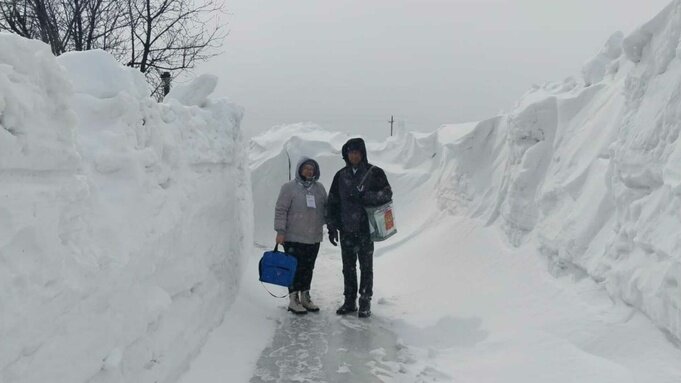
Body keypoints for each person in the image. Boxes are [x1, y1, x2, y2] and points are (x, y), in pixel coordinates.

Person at [326, 138, 393, 318]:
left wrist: (366, 197)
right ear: (346, 155)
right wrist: (332, 226)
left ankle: (365, 301)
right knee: (348, 267)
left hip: (366, 229)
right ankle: (349, 301)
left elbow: (387, 193)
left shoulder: (374, 172)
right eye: (350, 152)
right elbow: (332, 202)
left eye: (357, 152)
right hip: (346, 229)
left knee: (366, 267)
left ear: (362, 153)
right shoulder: (340, 175)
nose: (353, 155)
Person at [274, 157, 327, 315]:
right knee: (294, 268)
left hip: (313, 238)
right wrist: (280, 231)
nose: (309, 171)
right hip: (293, 237)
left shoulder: (319, 188)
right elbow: (281, 210)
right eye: (306, 168)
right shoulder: (289, 187)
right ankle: (293, 299)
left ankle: (305, 296)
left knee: (308, 268)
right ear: (299, 169)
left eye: (312, 169)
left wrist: (331, 225)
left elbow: (326, 208)